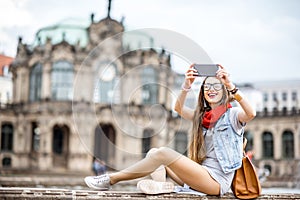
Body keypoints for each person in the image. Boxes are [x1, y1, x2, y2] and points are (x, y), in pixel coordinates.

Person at [84, 64, 256, 196]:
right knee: (153, 152)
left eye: (217, 86)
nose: (211, 90)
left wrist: (230, 84)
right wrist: (187, 85)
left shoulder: (232, 115)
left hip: (216, 180)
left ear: (224, 91)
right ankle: (161, 187)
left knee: (163, 153)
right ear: (202, 92)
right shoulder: (202, 117)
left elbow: (251, 113)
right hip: (200, 174)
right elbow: (179, 108)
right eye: (207, 87)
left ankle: (111, 179)